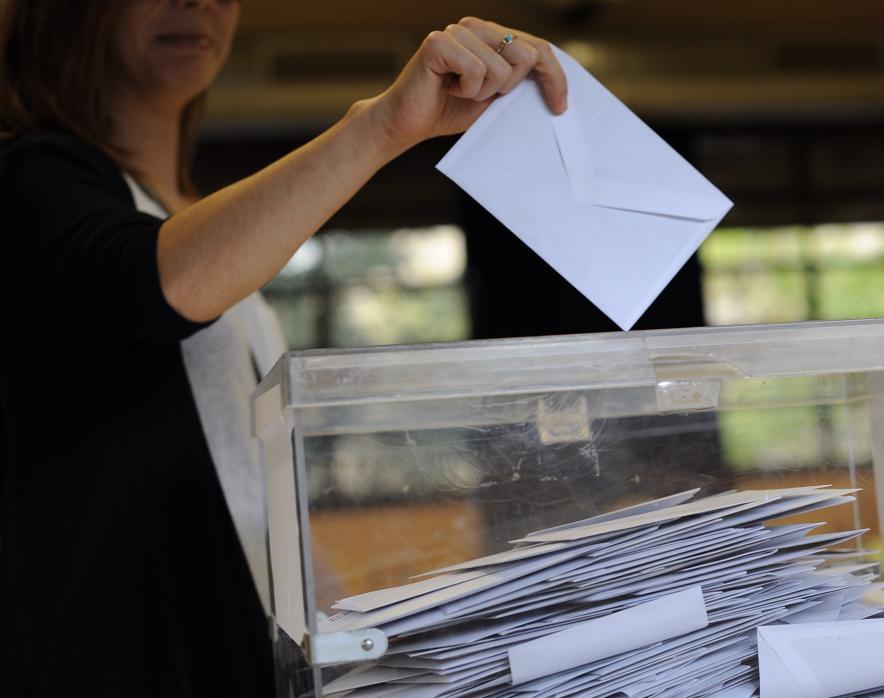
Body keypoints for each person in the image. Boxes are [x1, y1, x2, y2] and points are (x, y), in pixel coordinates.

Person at [0, 1, 567, 695]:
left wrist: (375, 654)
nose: (198, 2)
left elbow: (257, 496)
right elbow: (152, 281)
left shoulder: (187, 213)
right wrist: (383, 125)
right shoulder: (27, 173)